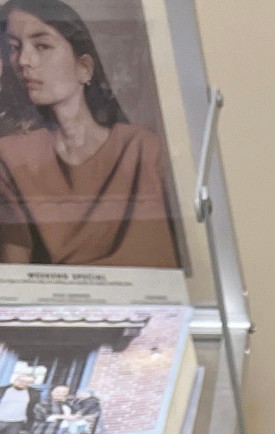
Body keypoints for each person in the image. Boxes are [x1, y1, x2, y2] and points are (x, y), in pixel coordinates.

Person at [0, 2, 178, 268]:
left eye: (42, 46)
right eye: (14, 48)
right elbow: (15, 270)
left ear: (84, 67)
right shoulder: (10, 155)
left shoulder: (143, 147)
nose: (24, 61)